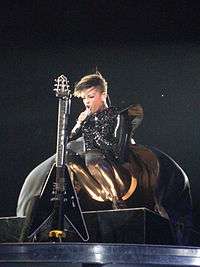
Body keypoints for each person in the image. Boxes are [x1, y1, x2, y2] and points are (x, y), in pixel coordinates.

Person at [17, 72, 144, 217]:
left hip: (107, 155)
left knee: (93, 162)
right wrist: (79, 123)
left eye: (90, 97)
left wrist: (95, 133)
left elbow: (114, 145)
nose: (87, 102)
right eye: (84, 98)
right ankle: (70, 201)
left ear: (103, 95)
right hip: (90, 153)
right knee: (69, 161)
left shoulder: (114, 114)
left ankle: (117, 201)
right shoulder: (87, 118)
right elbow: (68, 139)